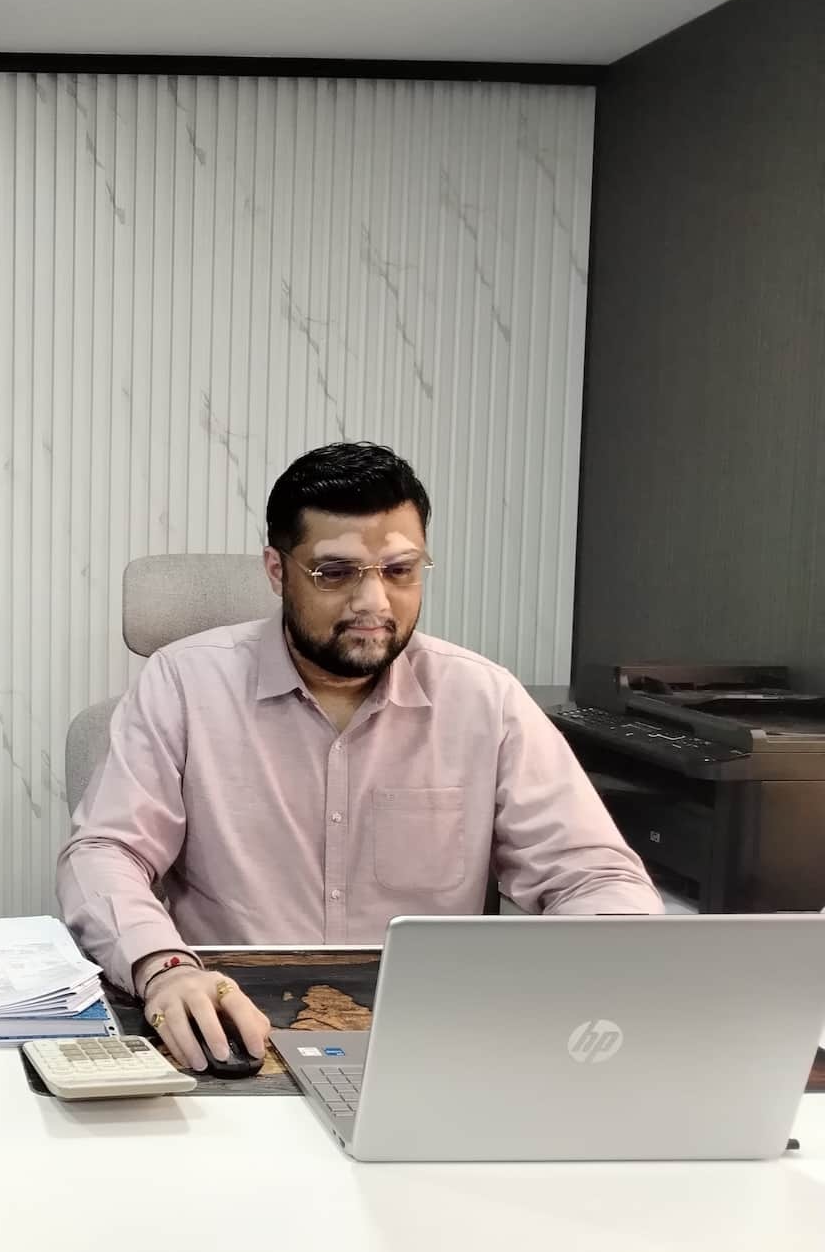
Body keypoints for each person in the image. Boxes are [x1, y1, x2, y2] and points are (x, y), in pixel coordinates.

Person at [57, 443, 659, 1072]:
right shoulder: (183, 683)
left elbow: (592, 875)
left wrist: (601, 971)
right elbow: (105, 850)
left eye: (399, 570)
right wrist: (164, 968)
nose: (374, 602)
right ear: (277, 571)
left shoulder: (485, 700)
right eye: (335, 572)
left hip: (429, 1038)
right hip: (231, 1027)